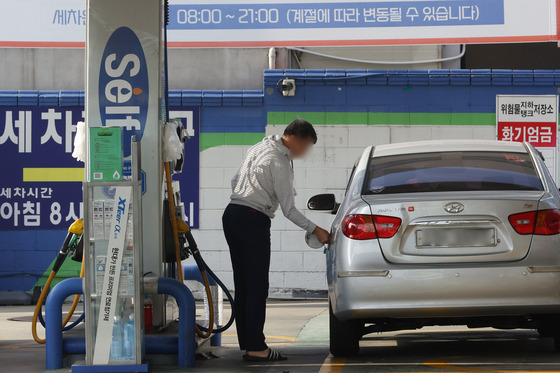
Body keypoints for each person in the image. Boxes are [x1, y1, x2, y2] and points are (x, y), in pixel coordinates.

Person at [222, 119, 331, 362]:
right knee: (258, 286)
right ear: (298, 139)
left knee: (244, 284)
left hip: (232, 214)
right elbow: (289, 210)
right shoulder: (280, 162)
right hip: (252, 218)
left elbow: (234, 180)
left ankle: (250, 344)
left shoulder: (258, 147)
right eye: (307, 146)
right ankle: (256, 347)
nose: (306, 153)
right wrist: (317, 230)